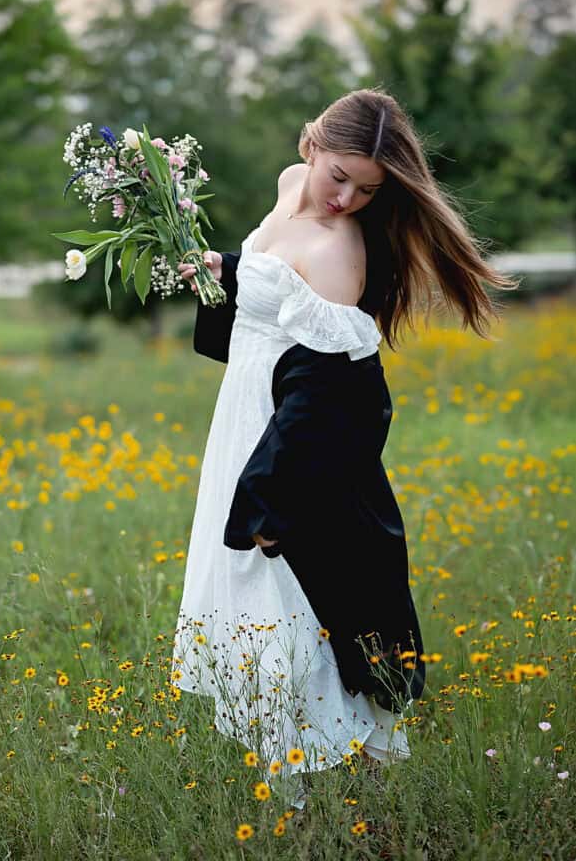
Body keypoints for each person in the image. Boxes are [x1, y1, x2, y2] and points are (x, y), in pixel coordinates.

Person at [171, 88, 518, 809]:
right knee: (248, 602)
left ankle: (321, 789)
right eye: (339, 176)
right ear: (310, 148)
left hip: (285, 441)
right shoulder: (290, 185)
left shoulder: (339, 255)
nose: (344, 199)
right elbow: (264, 285)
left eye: (367, 190)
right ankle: (297, 781)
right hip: (241, 415)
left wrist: (270, 496)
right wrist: (214, 269)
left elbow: (329, 396)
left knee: (286, 596)